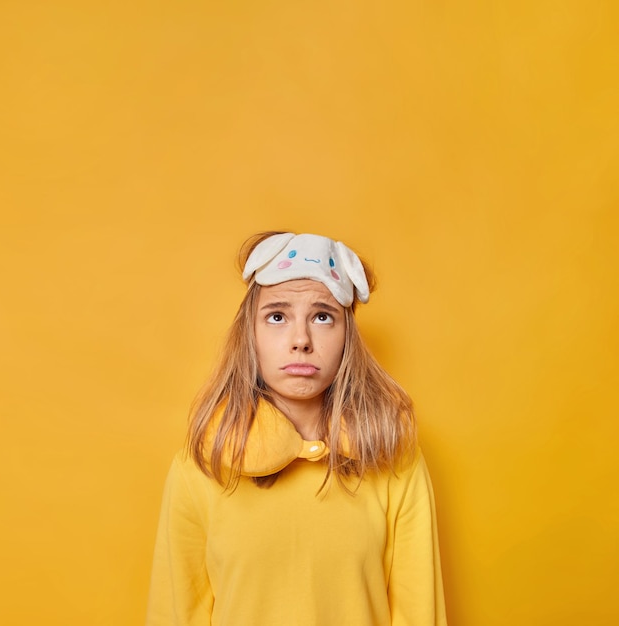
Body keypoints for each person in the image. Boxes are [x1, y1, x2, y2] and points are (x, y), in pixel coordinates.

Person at [146, 231, 447, 626]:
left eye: (323, 316)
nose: (301, 340)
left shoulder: (393, 457)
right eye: (277, 316)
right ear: (250, 335)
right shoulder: (203, 461)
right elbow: (176, 612)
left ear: (347, 337)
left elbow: (419, 612)